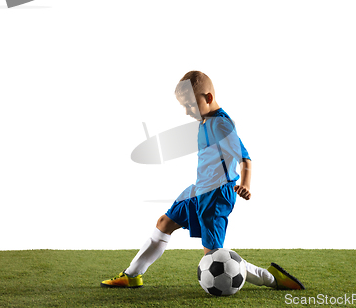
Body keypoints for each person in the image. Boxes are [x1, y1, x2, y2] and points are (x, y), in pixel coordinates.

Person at [101, 71, 304, 291]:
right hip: (198, 190)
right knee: (164, 223)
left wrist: (245, 185)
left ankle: (271, 278)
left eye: (190, 105)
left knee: (215, 256)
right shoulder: (204, 119)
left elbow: (245, 158)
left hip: (217, 195)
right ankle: (132, 275)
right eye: (184, 107)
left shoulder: (222, 125)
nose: (187, 112)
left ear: (207, 98)